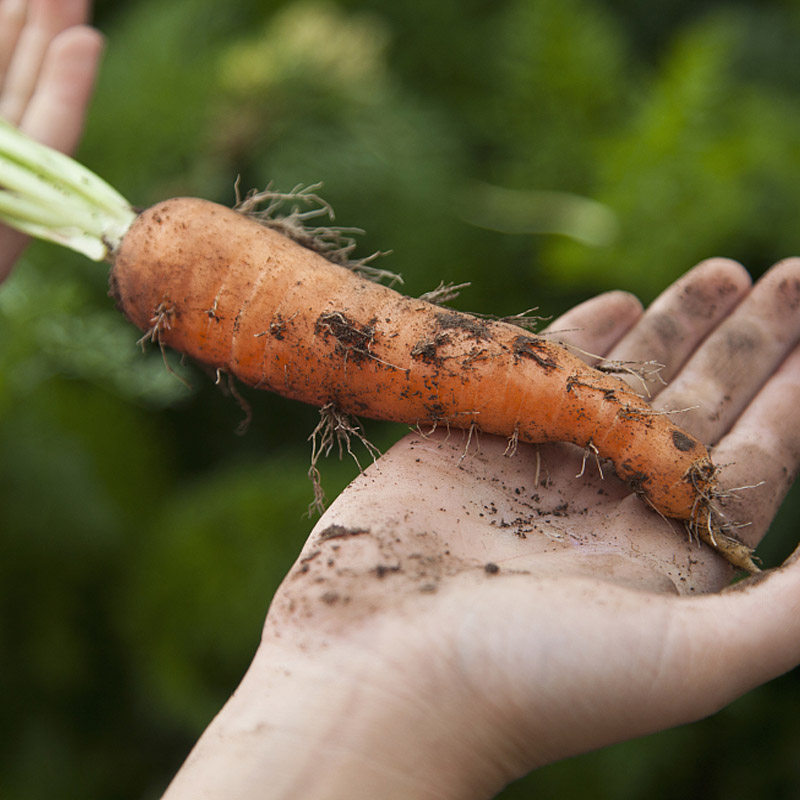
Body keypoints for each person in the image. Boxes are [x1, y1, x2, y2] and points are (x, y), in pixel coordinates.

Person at [4, 3, 800, 798]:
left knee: (468, 360)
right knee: (461, 362)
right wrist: (401, 697)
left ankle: (631, 431)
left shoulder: (169, 244)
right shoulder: (162, 255)